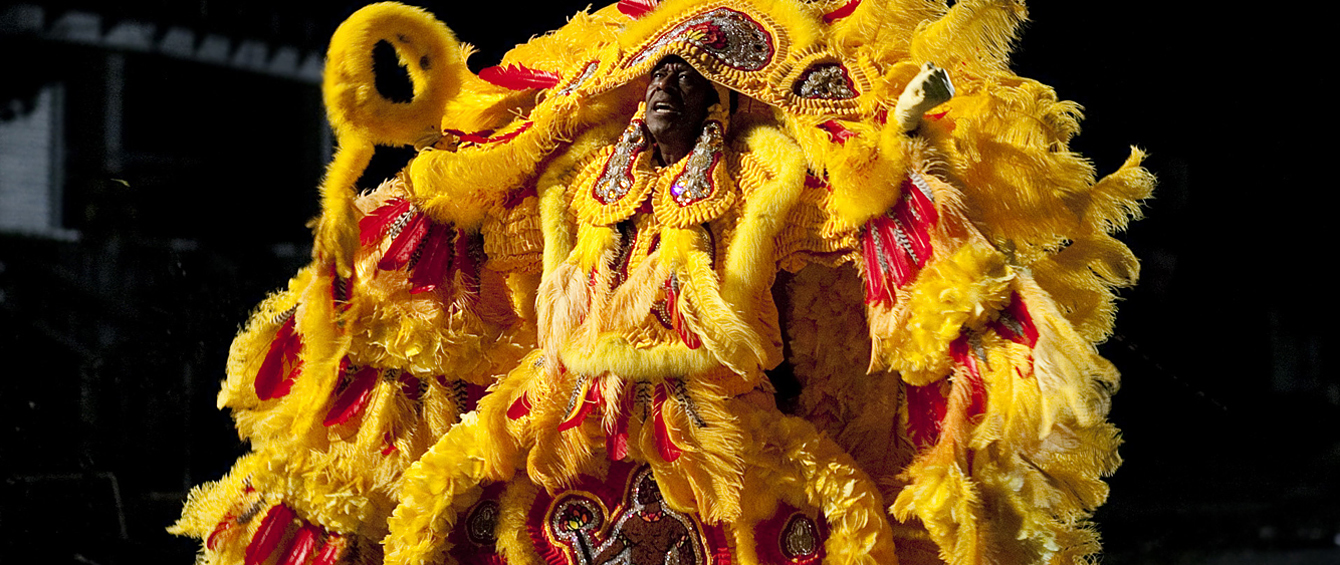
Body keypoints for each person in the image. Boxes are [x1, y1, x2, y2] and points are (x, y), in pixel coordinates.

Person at [173, 2, 1154, 565]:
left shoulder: (767, 177)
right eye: (654, 78)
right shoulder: (574, 172)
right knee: (427, 499)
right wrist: (544, 125)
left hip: (720, 425)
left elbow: (853, 204)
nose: (664, 92)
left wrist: (884, 129)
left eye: (687, 80)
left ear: (720, 103)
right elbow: (484, 208)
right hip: (561, 412)